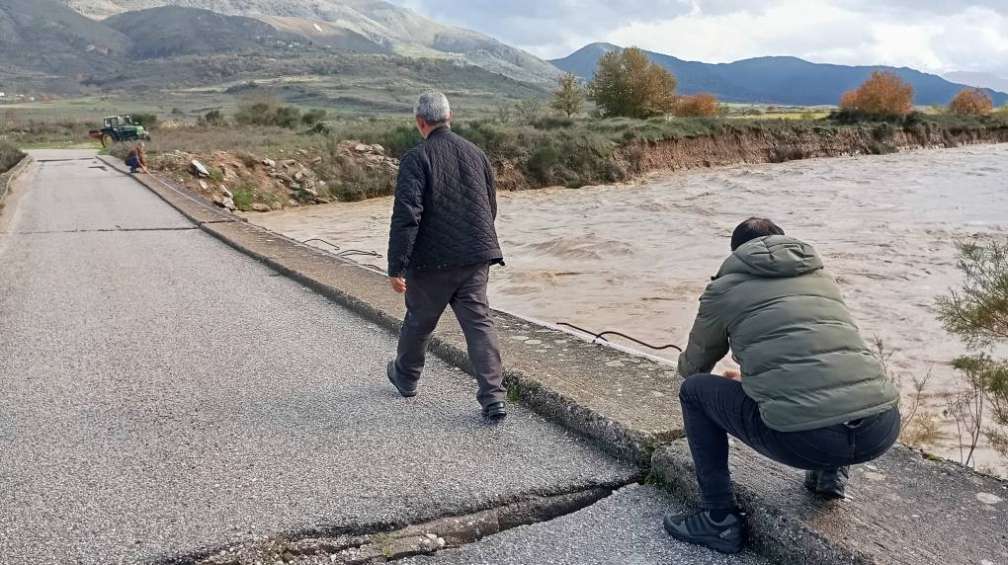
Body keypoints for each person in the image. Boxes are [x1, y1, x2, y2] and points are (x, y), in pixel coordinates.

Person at [663, 218, 900, 554]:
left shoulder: (724, 289)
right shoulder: (821, 279)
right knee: (834, 372)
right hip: (881, 429)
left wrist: (740, 382)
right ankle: (830, 477)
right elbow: (818, 357)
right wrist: (757, 382)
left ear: (737, 252)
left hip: (804, 441)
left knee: (695, 392)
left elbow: (695, 365)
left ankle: (718, 519)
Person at [385, 91, 507, 421]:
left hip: (432, 262)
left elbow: (407, 215)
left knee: (420, 321)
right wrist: (474, 244)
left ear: (420, 122)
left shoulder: (416, 157)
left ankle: (405, 377)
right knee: (479, 323)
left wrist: (397, 266)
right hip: (476, 256)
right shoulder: (476, 153)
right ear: (449, 117)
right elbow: (490, 206)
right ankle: (493, 398)